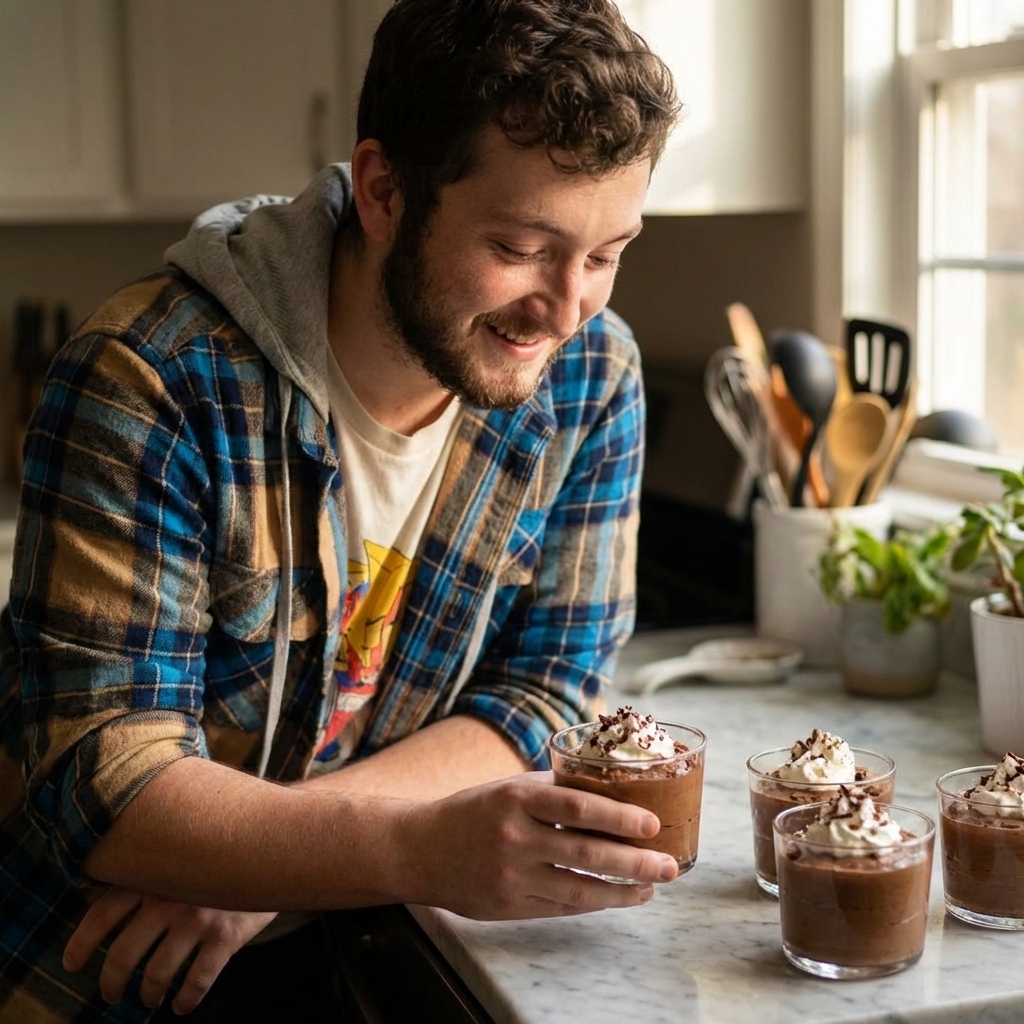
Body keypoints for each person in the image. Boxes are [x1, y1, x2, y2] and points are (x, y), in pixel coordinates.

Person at [0, 0, 680, 1020]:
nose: (565, 307)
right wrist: (405, 845)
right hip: (104, 971)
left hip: (361, 941)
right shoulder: (151, 377)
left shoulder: (593, 377)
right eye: (522, 244)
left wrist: (275, 861)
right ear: (381, 191)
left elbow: (551, 686)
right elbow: (102, 778)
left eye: (606, 251)